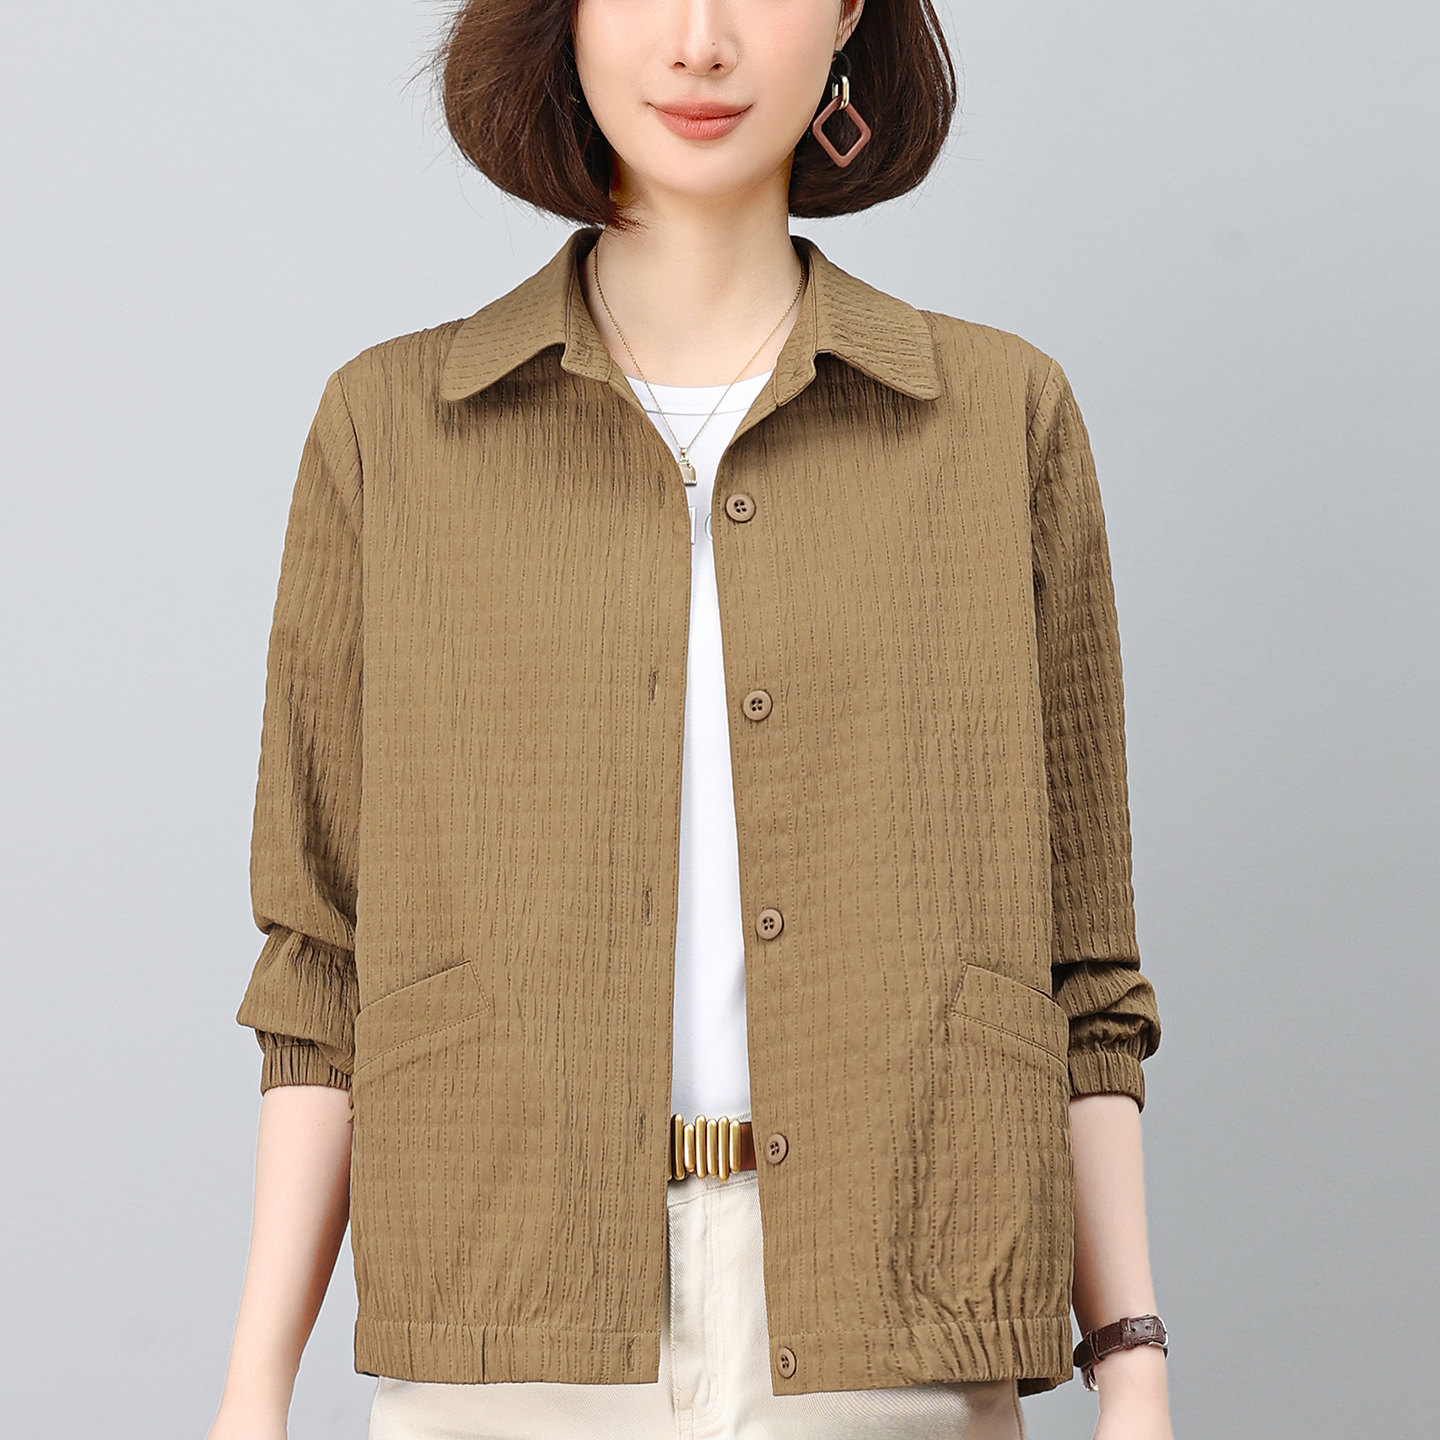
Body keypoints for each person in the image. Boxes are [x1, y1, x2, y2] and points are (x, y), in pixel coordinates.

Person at [208, 2, 1173, 1438]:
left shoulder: (998, 419)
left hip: (898, 1327)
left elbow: (1082, 969)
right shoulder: (392, 428)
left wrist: (1134, 1370)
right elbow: (320, 962)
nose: (701, 41)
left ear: (848, 12)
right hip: (507, 1334)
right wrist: (253, 1392)